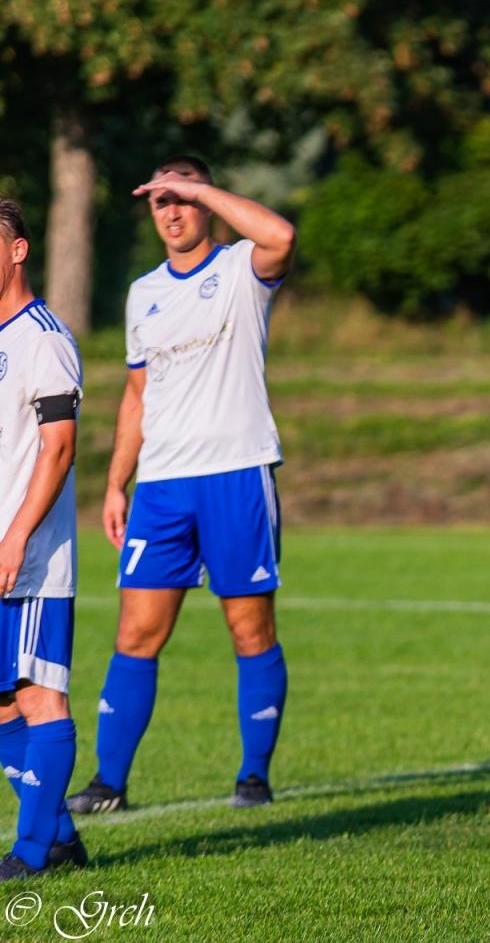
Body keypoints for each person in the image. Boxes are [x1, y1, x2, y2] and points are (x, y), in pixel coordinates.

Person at [67, 156, 296, 815]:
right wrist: (117, 484)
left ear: (205, 201)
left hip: (235, 473)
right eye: (161, 201)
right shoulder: (144, 292)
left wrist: (206, 190)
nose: (172, 211)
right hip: (163, 487)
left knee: (249, 629)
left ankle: (254, 775)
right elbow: (140, 395)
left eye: (184, 198)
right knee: (135, 633)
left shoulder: (239, 269)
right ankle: (109, 783)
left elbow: (282, 236)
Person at [0, 197, 87, 880]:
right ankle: (58, 837)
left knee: (39, 695)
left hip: (28, 557)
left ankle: (31, 855)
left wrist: (17, 535)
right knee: (1, 705)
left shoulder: (44, 337)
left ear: (18, 250)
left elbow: (58, 449)